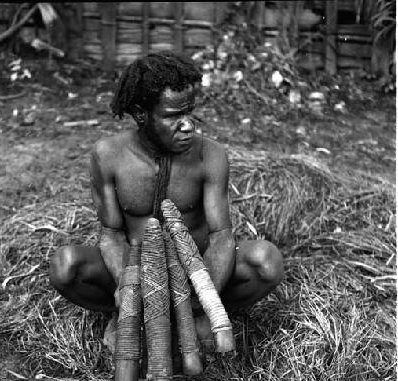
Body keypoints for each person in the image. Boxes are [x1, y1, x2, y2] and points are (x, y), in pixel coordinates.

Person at [50, 52, 284, 352]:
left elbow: (221, 237)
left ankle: (194, 317)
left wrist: (203, 295)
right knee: (64, 266)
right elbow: (112, 235)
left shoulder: (210, 155)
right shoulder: (107, 155)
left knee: (267, 262)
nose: (188, 126)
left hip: (196, 269)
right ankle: (126, 314)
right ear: (140, 113)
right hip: (136, 269)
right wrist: (130, 288)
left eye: (190, 113)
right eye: (174, 116)